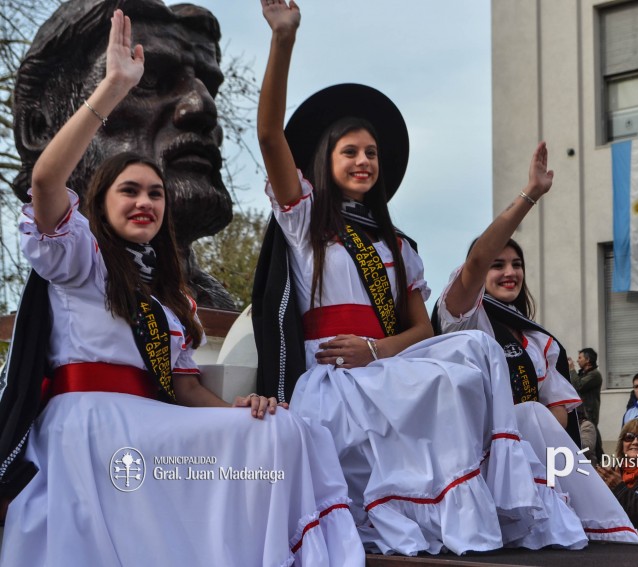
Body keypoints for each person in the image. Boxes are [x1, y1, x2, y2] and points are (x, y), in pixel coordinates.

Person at [0, 10, 362, 567]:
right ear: (99, 201)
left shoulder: (165, 296)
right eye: (130, 191)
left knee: (282, 430)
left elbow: (188, 392)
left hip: (152, 427)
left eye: (155, 193)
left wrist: (241, 410)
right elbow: (48, 181)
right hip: (91, 432)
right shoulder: (77, 258)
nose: (145, 201)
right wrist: (111, 90)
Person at [256, 0, 591, 555]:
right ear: (325, 159)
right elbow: (270, 136)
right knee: (446, 378)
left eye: (371, 152)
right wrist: (283, 39)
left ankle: (481, 501)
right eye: (350, 152)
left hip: (378, 363)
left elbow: (422, 332)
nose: (364, 160)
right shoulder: (305, 219)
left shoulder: (397, 245)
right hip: (330, 376)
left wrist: (376, 348)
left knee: (469, 357)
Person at [434, 148, 638, 542]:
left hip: (531, 460)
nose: (509, 272)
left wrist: (528, 423)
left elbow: (559, 412)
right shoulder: (463, 315)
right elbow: (475, 263)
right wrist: (529, 194)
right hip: (474, 456)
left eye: (517, 264)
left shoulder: (539, 339)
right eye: (498, 264)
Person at [12, 0, 235, 308]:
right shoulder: (74, 264)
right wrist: (115, 86)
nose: (202, 107)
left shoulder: (200, 309)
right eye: (149, 82)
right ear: (40, 128)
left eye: (209, 89)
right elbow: (46, 183)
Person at [568, 348, 602, 426]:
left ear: (587, 359)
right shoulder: (583, 374)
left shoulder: (595, 375)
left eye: (580, 358)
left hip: (589, 418)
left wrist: (572, 369)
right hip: (580, 417)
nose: (577, 360)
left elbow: (578, 385)